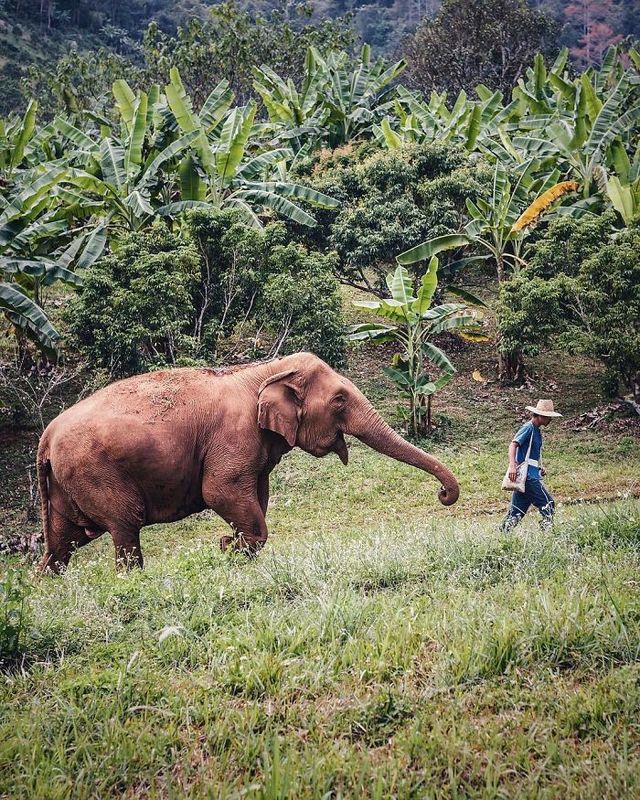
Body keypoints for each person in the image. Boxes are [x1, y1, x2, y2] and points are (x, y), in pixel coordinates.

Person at [501, 399, 562, 532]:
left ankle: (502, 535)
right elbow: (513, 444)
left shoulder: (536, 431)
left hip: (531, 473)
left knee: (516, 512)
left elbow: (529, 457)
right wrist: (512, 465)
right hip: (528, 477)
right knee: (548, 504)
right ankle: (547, 533)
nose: (550, 420)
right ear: (540, 416)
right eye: (548, 417)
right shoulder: (528, 428)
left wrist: (538, 468)